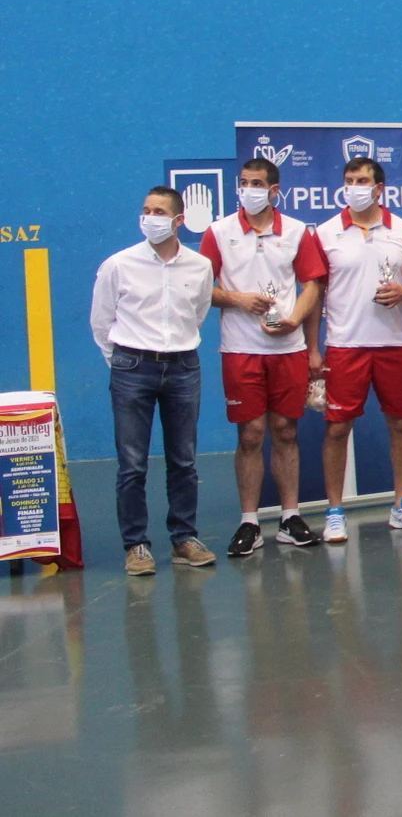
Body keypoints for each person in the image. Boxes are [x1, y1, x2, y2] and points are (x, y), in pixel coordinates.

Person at [202, 158, 327, 556]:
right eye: (244, 183)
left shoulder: (295, 232)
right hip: (240, 350)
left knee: (286, 431)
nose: (249, 189)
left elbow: (312, 286)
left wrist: (296, 324)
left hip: (287, 350)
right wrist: (237, 298)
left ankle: (290, 517)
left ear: (275, 191)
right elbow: (200, 287)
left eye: (257, 183)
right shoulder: (218, 232)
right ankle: (249, 522)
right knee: (251, 434)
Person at [92, 187, 216, 575]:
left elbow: (198, 314)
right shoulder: (118, 264)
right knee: (132, 464)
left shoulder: (199, 266)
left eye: (159, 211)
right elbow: (102, 321)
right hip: (132, 368)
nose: (150, 217)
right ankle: (136, 545)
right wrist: (123, 362)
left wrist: (172, 350)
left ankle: (184, 539)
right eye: (145, 210)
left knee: (184, 460)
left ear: (179, 220)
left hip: (183, 367)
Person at [311, 157, 402, 542]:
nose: (354, 186)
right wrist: (312, 348)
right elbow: (314, 295)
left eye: (362, 180)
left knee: (401, 425)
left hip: (395, 344)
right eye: (349, 180)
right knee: (336, 429)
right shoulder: (326, 233)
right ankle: (334, 512)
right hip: (345, 345)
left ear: (380, 188)